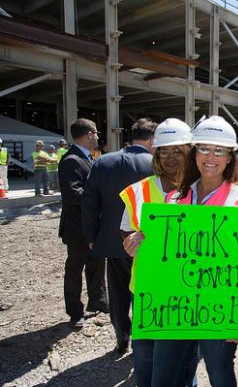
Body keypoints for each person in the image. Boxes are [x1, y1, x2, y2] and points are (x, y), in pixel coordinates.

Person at [150, 115, 238, 387]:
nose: (211, 156)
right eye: (204, 148)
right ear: (194, 153)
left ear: (230, 157)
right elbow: (162, 260)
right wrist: (141, 244)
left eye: (219, 150)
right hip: (176, 306)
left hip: (219, 308)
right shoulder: (173, 200)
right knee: (165, 376)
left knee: (220, 375)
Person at [119, 118, 192, 387]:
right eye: (164, 150)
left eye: (177, 150)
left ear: (189, 152)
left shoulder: (200, 192)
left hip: (187, 290)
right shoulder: (139, 192)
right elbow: (126, 233)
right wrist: (129, 244)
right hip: (148, 290)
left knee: (184, 361)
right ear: (156, 154)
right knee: (146, 359)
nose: (171, 158)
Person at [82, 118, 157, 354]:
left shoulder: (104, 161)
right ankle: (145, 343)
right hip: (149, 243)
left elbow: (90, 201)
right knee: (144, 291)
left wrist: (92, 235)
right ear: (151, 140)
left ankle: (121, 338)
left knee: (118, 293)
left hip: (114, 242)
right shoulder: (157, 164)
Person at [58, 119, 107, 328]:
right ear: (88, 134)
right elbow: (73, 194)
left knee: (96, 266)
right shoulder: (71, 160)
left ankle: (98, 302)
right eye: (96, 133)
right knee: (75, 271)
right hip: (77, 229)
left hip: (93, 227)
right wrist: (100, 198)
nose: (98, 137)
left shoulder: (88, 158)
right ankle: (75, 312)